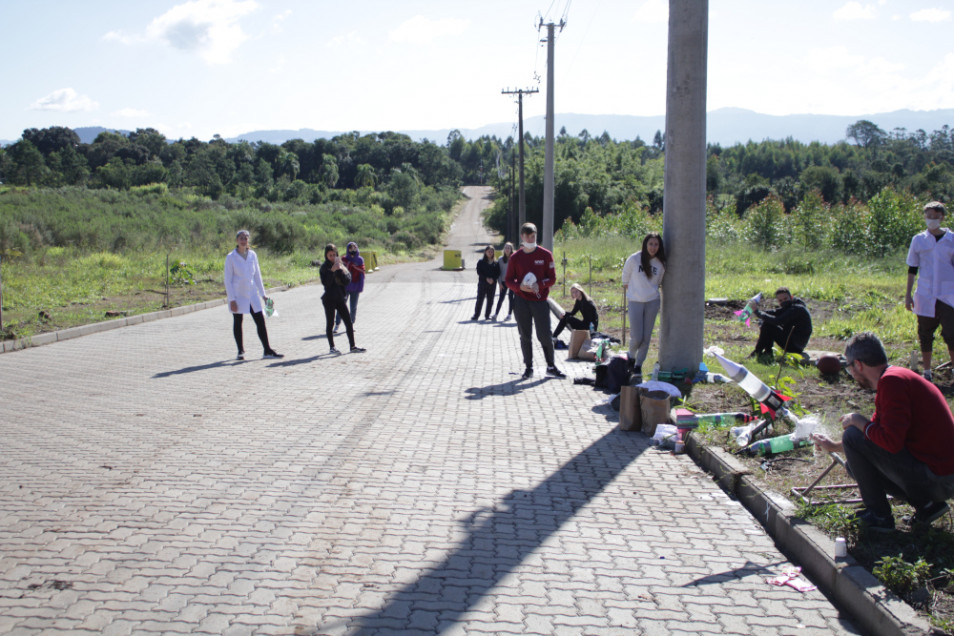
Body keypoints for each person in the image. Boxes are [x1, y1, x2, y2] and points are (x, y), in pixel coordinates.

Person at [812, 332, 954, 531]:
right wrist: (833, 446)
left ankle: (879, 516)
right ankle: (927, 505)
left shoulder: (892, 382)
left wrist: (857, 420)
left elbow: (890, 442)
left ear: (859, 365)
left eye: (849, 367)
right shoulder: (894, 378)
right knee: (854, 464)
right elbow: (875, 439)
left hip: (939, 477)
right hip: (938, 472)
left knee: (852, 435)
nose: (850, 373)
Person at [504, 223, 565, 379]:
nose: (531, 239)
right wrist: (520, 287)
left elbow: (552, 278)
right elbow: (509, 280)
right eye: (528, 236)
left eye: (533, 236)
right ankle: (528, 367)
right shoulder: (515, 257)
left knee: (544, 335)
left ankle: (551, 366)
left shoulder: (545, 255)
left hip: (540, 300)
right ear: (522, 237)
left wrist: (541, 284)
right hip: (521, 301)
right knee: (525, 335)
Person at [905, 201, 954, 381]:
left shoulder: (951, 239)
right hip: (925, 293)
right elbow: (912, 268)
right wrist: (908, 295)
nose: (931, 220)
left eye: (935, 216)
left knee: (951, 333)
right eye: (928, 217)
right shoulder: (919, 240)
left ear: (942, 217)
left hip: (948, 294)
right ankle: (926, 372)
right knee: (925, 333)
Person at [224, 229, 283, 360]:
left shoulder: (252, 255)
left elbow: (257, 275)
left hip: (252, 294)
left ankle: (267, 350)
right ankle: (240, 351)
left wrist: (263, 294)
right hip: (238, 295)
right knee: (238, 321)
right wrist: (231, 299)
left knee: (260, 321)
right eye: (241, 238)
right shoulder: (231, 257)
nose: (244, 240)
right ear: (237, 241)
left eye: (246, 238)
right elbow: (227, 280)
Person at [622, 232, 666, 376]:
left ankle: (638, 365)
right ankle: (631, 356)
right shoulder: (634, 259)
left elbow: (658, 282)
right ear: (645, 244)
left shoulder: (660, 264)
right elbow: (625, 280)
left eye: (656, 244)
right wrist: (635, 292)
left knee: (646, 337)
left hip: (652, 301)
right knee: (637, 337)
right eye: (650, 244)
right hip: (635, 301)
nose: (653, 247)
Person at [319, 243, 366, 355]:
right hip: (329, 298)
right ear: (326, 255)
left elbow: (346, 281)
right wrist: (332, 271)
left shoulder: (340, 265)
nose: (332, 257)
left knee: (348, 322)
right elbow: (326, 283)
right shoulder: (324, 267)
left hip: (340, 297)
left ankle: (352, 346)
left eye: (334, 255)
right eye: (330, 255)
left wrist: (340, 270)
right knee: (330, 323)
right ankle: (332, 347)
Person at [750, 287, 813, 360]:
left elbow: (777, 321)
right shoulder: (790, 307)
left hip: (795, 346)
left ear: (791, 297)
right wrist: (758, 313)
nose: (784, 302)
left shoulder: (797, 309)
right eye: (780, 300)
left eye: (785, 299)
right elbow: (775, 312)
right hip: (793, 342)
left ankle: (758, 351)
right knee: (767, 322)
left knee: (768, 324)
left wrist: (758, 313)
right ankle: (767, 352)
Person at [335, 241, 366, 333]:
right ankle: (337, 324)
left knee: (353, 307)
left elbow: (362, 271)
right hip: (345, 286)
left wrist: (360, 286)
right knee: (341, 306)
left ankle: (351, 324)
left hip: (355, 286)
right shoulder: (344, 259)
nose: (352, 250)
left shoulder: (360, 260)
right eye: (350, 248)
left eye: (354, 248)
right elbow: (340, 271)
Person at [472, 245, 500, 321]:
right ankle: (476, 315)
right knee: (480, 299)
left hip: (492, 284)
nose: (490, 253)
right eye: (489, 251)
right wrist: (486, 278)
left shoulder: (496, 263)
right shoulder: (481, 262)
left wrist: (493, 279)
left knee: (490, 300)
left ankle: (487, 315)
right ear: (485, 252)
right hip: (482, 283)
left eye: (492, 251)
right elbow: (479, 271)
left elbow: (498, 273)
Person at [493, 242, 514, 321]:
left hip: (512, 282)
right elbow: (499, 272)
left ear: (511, 249)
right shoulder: (500, 259)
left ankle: (509, 314)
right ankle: (496, 314)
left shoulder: (514, 258)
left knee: (510, 298)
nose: (507, 249)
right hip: (503, 282)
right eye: (506, 248)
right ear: (504, 249)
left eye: (509, 248)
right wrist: (500, 283)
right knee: (501, 298)